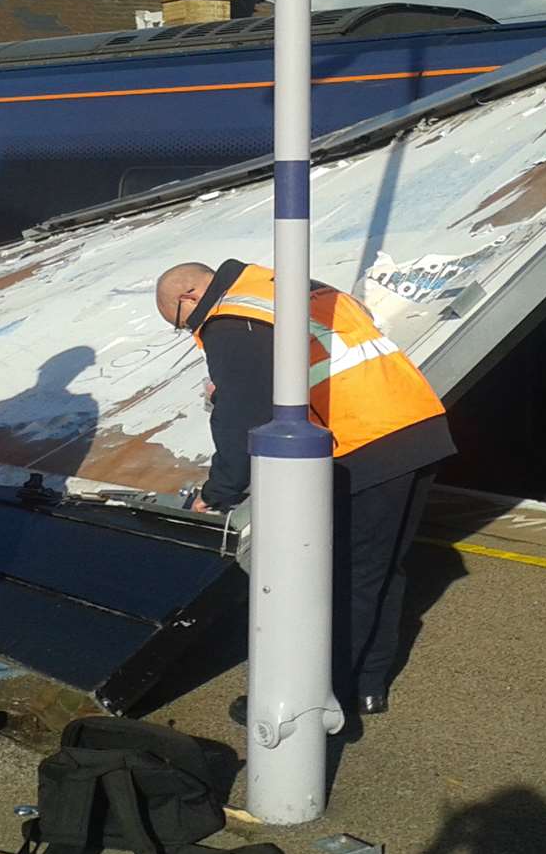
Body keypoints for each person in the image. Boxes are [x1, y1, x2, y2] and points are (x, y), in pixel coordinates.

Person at [155, 259, 455, 718]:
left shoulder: (232, 318)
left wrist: (219, 492)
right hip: (416, 426)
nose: (192, 330)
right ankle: (367, 686)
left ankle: (315, 700)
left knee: (340, 577)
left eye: (183, 324)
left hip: (364, 441)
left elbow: (242, 415)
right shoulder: (288, 285)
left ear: (188, 297)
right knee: (379, 568)